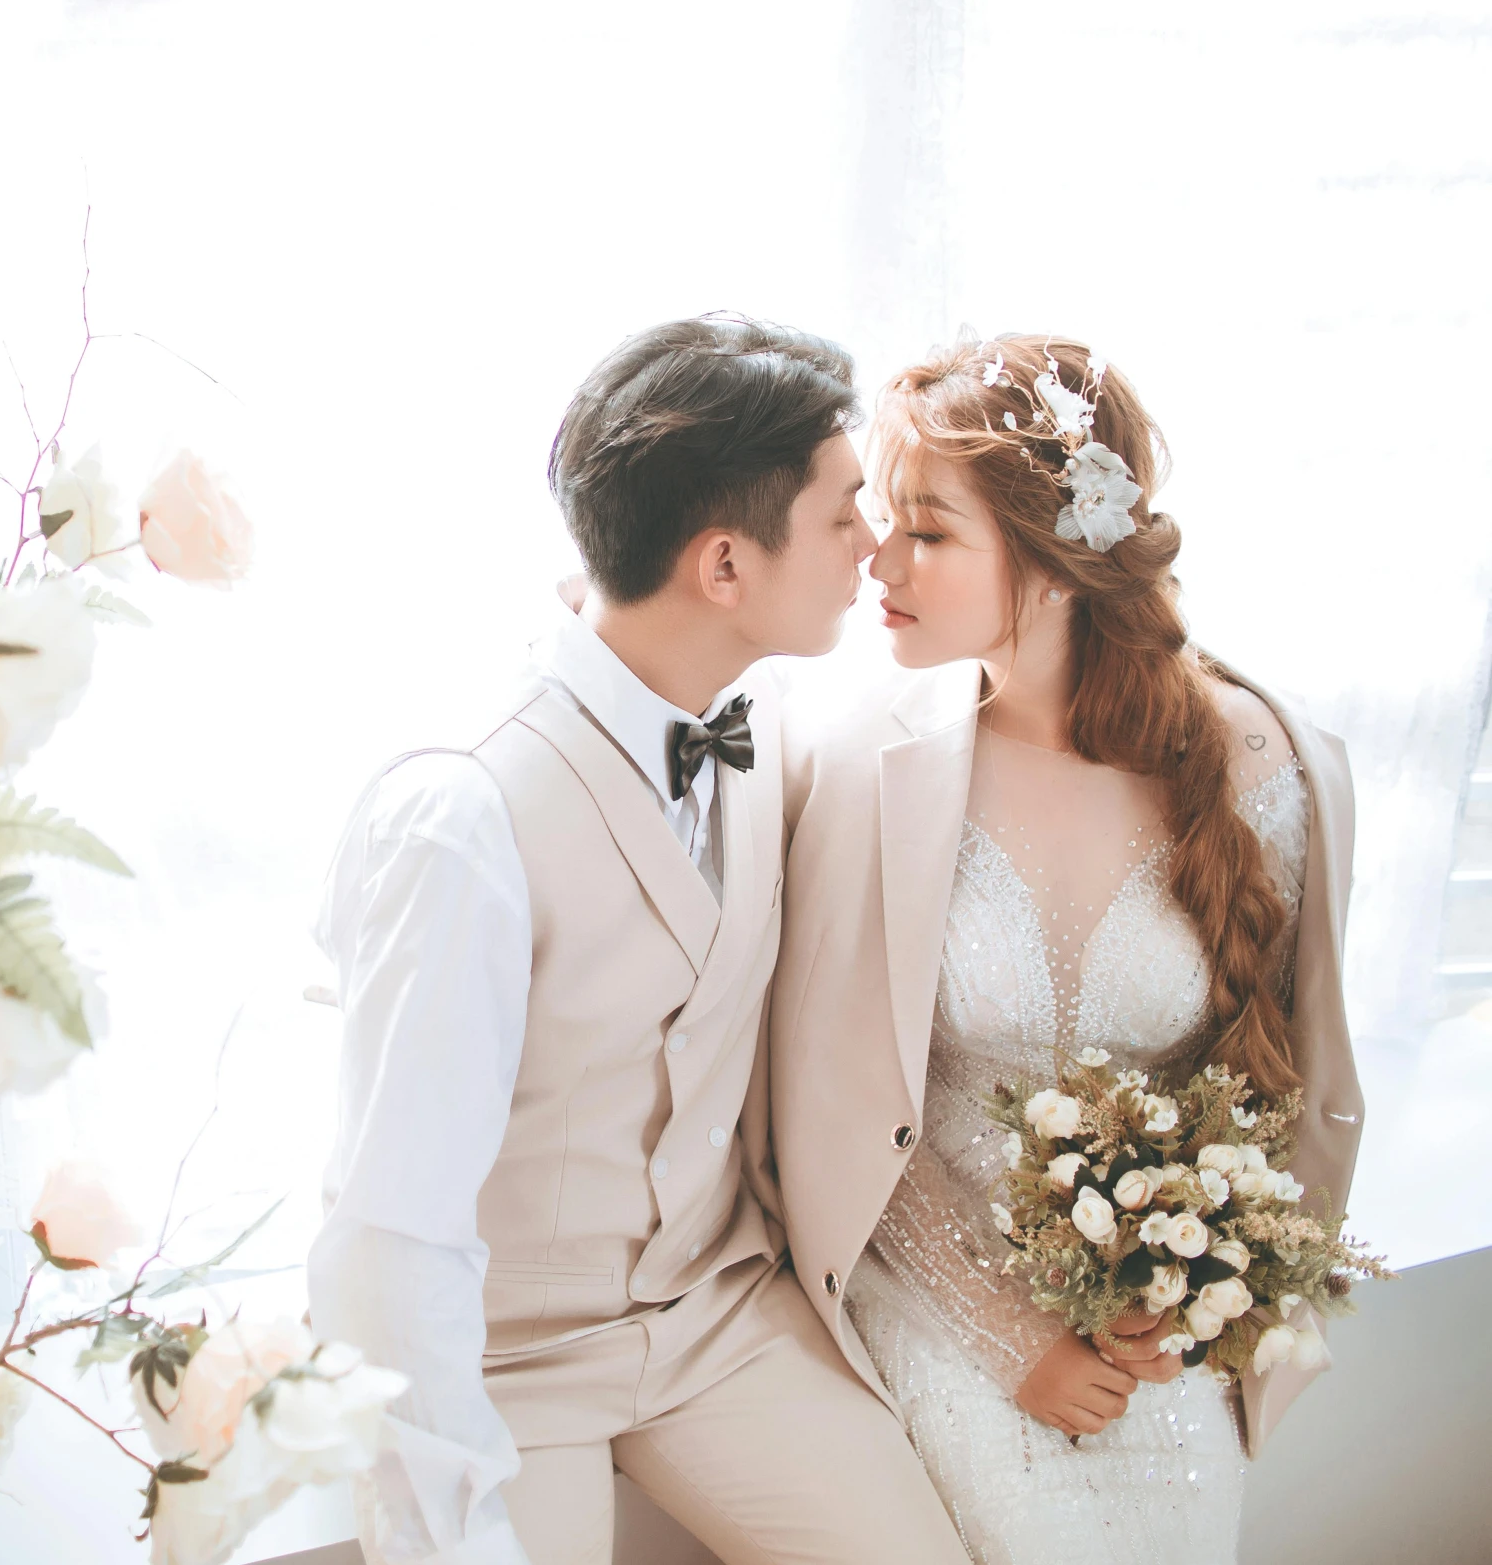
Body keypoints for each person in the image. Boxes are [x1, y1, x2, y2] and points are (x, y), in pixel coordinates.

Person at [306, 314, 968, 1565]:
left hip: (714, 1316)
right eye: (843, 515)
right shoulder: (460, 816)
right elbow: (387, 1240)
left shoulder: (760, 705)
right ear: (723, 565)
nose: (872, 545)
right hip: (510, 1358)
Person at [767, 335, 1363, 1563]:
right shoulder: (864, 762)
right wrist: (1006, 1334)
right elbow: (829, 1102)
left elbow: (1272, 1091)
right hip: (927, 1282)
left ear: (1052, 559)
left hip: (1153, 1331)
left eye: (926, 532)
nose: (878, 563)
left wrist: (1179, 1297)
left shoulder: (1264, 767)